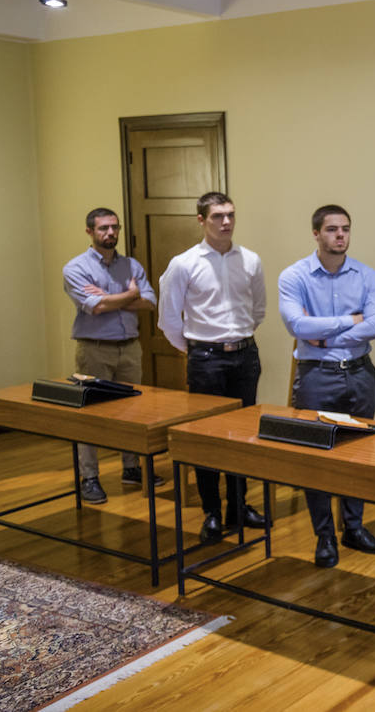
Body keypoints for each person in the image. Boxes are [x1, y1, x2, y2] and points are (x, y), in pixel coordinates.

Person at [278, 204, 375, 567]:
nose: (340, 235)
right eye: (331, 229)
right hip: (316, 376)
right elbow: (298, 326)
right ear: (316, 234)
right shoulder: (294, 277)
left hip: (359, 372)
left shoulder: (367, 275)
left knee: (359, 454)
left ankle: (353, 528)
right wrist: (348, 320)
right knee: (317, 456)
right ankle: (324, 534)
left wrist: (324, 333)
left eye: (345, 229)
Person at [158, 192, 268, 544]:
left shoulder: (250, 260)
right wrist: (197, 349)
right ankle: (212, 512)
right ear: (201, 220)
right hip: (206, 359)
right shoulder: (184, 263)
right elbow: (169, 320)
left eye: (231, 215)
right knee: (206, 438)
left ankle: (239, 505)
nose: (226, 222)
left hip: (245, 356)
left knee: (244, 436)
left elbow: (259, 310)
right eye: (218, 216)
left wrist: (236, 339)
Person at [60, 207, 162, 503]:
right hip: (94, 349)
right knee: (89, 414)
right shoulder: (75, 268)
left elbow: (150, 302)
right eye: (104, 228)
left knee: (132, 413)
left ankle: (131, 468)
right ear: (90, 231)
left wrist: (109, 299)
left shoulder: (131, 265)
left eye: (114, 227)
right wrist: (129, 295)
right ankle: (89, 477)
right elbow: (94, 307)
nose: (111, 234)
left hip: (130, 347)